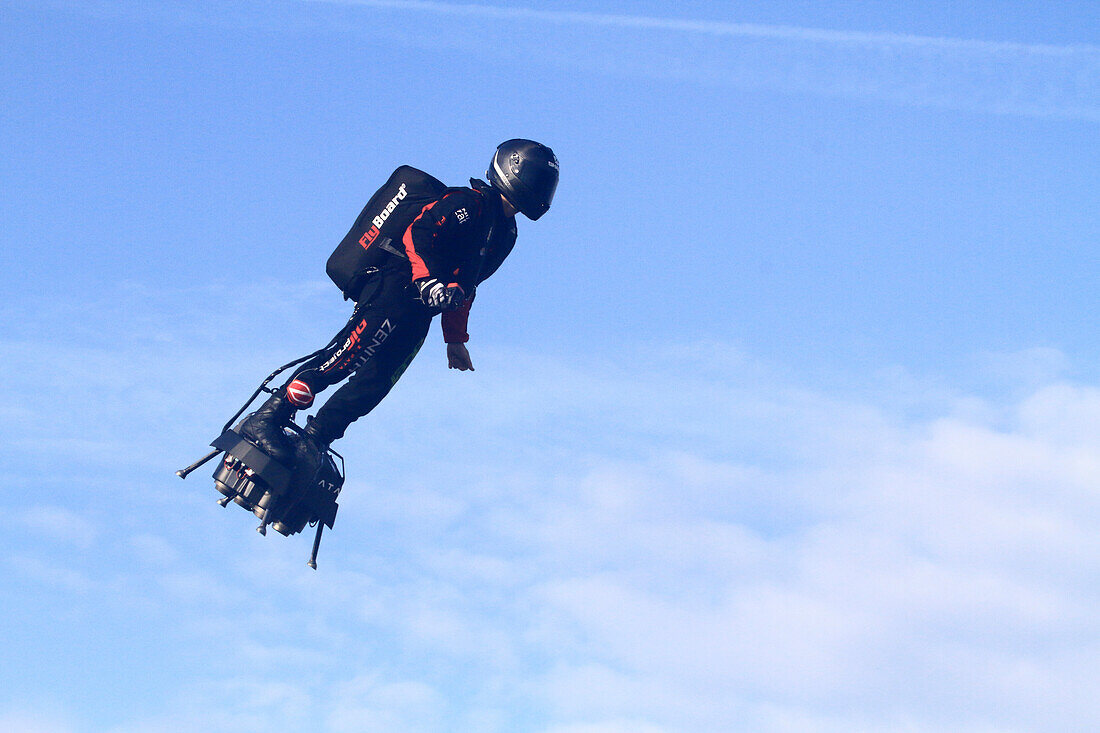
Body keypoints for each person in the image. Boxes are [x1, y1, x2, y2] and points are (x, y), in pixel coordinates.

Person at [236, 139, 559, 478]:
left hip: (420, 313)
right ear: (514, 171)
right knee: (346, 358)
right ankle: (268, 418)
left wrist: (455, 339)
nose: (543, 189)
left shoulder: (504, 233)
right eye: (540, 179)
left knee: (376, 383)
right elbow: (416, 234)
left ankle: (315, 441)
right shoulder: (467, 203)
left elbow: (468, 284)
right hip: (395, 287)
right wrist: (428, 281)